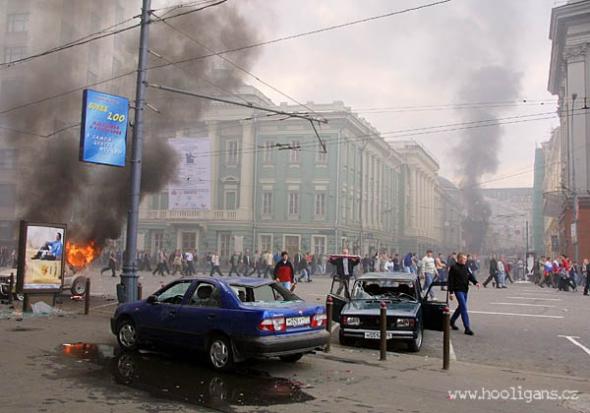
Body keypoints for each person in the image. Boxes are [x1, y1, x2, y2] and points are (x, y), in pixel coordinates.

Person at [448, 252, 480, 336]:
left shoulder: (466, 267)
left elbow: (470, 276)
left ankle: (451, 321)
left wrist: (475, 282)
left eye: (465, 259)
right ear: (458, 259)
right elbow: (450, 280)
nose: (464, 260)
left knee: (460, 307)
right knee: (463, 307)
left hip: (465, 289)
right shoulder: (454, 267)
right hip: (458, 290)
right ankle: (467, 328)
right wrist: (451, 293)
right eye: (463, 259)